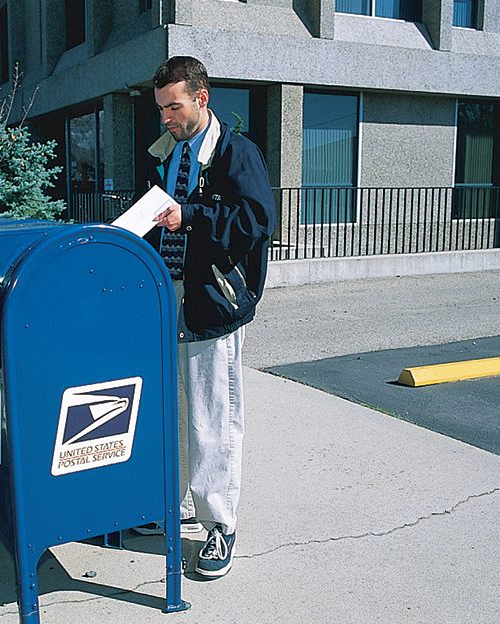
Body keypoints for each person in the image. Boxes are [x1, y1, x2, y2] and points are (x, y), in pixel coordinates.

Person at [136, 56, 275, 578]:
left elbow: (257, 219)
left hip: (212, 298)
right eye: (161, 109)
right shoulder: (164, 154)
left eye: (174, 106)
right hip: (164, 295)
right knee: (170, 408)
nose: (166, 117)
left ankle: (220, 524)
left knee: (213, 414)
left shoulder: (237, 153)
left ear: (202, 98)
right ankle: (175, 506)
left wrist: (189, 215)